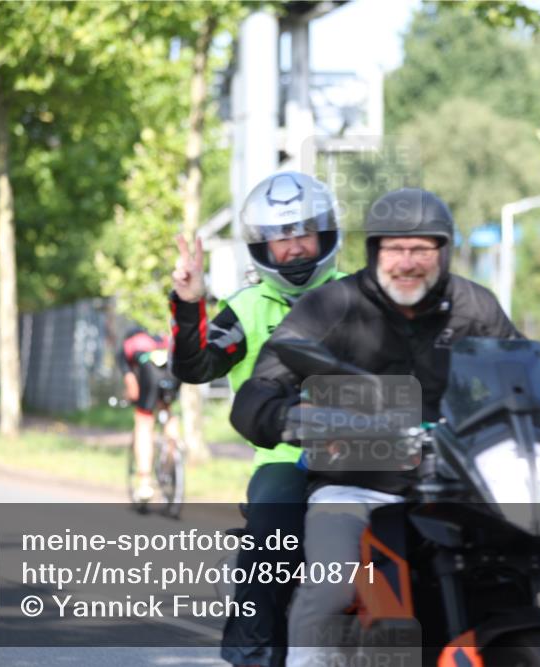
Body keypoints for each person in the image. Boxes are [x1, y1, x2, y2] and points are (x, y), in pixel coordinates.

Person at [228, 187, 523, 666]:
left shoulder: (474, 305)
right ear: (373, 252)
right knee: (328, 589)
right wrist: (284, 416)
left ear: (443, 251)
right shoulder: (330, 307)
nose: (408, 261)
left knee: (525, 563)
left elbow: (519, 370)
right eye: (394, 248)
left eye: (422, 248)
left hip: (455, 484)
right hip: (354, 484)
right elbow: (261, 388)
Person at [168, 171, 345, 667]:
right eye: (278, 236)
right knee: (271, 535)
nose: (292, 247)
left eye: (302, 232)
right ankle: (255, 654)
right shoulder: (245, 308)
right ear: (260, 246)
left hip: (372, 451)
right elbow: (195, 366)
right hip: (287, 458)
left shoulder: (362, 296)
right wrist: (189, 303)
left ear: (325, 233)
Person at [116, 326, 181, 503]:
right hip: (172, 369)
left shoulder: (126, 349)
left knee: (143, 421)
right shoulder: (160, 340)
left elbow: (132, 387)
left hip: (149, 371)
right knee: (167, 410)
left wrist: (131, 397)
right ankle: (172, 454)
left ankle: (144, 483)